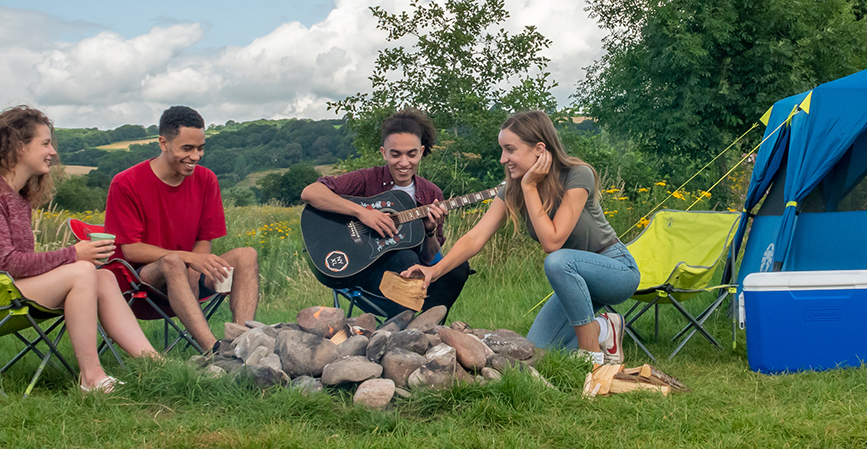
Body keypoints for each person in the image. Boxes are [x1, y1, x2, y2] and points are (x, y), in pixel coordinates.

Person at [0, 106, 158, 393]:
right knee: (82, 272)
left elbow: (19, 263)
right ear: (19, 147)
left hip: (6, 284)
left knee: (103, 276)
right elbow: (7, 263)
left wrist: (78, 257)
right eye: (45, 143)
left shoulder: (17, 196)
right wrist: (74, 255)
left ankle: (155, 365)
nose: (52, 152)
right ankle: (91, 377)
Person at [404, 110, 638, 365]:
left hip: (615, 270)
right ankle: (605, 329)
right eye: (502, 150)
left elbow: (553, 243)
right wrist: (434, 271)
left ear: (539, 149)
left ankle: (591, 358)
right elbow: (476, 236)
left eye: (510, 149)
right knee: (537, 349)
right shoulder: (512, 188)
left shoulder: (577, 174)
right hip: (574, 284)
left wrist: (529, 187)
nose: (503, 159)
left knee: (557, 261)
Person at [103, 105, 260, 352]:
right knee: (172, 261)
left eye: (200, 148)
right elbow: (131, 250)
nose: (196, 156)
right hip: (142, 280)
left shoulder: (206, 179)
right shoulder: (126, 183)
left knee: (246, 255)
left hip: (191, 272)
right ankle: (215, 351)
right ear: (163, 143)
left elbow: (205, 239)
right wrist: (188, 260)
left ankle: (244, 344)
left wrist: (193, 266)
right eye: (187, 148)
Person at [300, 108, 472, 317]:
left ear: (421, 151)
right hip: (365, 273)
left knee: (458, 268)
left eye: (411, 154)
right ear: (384, 152)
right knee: (404, 256)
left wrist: (429, 231)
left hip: (415, 280)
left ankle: (428, 328)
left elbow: (429, 257)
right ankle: (404, 329)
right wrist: (362, 213)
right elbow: (311, 192)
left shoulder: (431, 193)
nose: (404, 163)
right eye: (395, 154)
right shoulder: (367, 179)